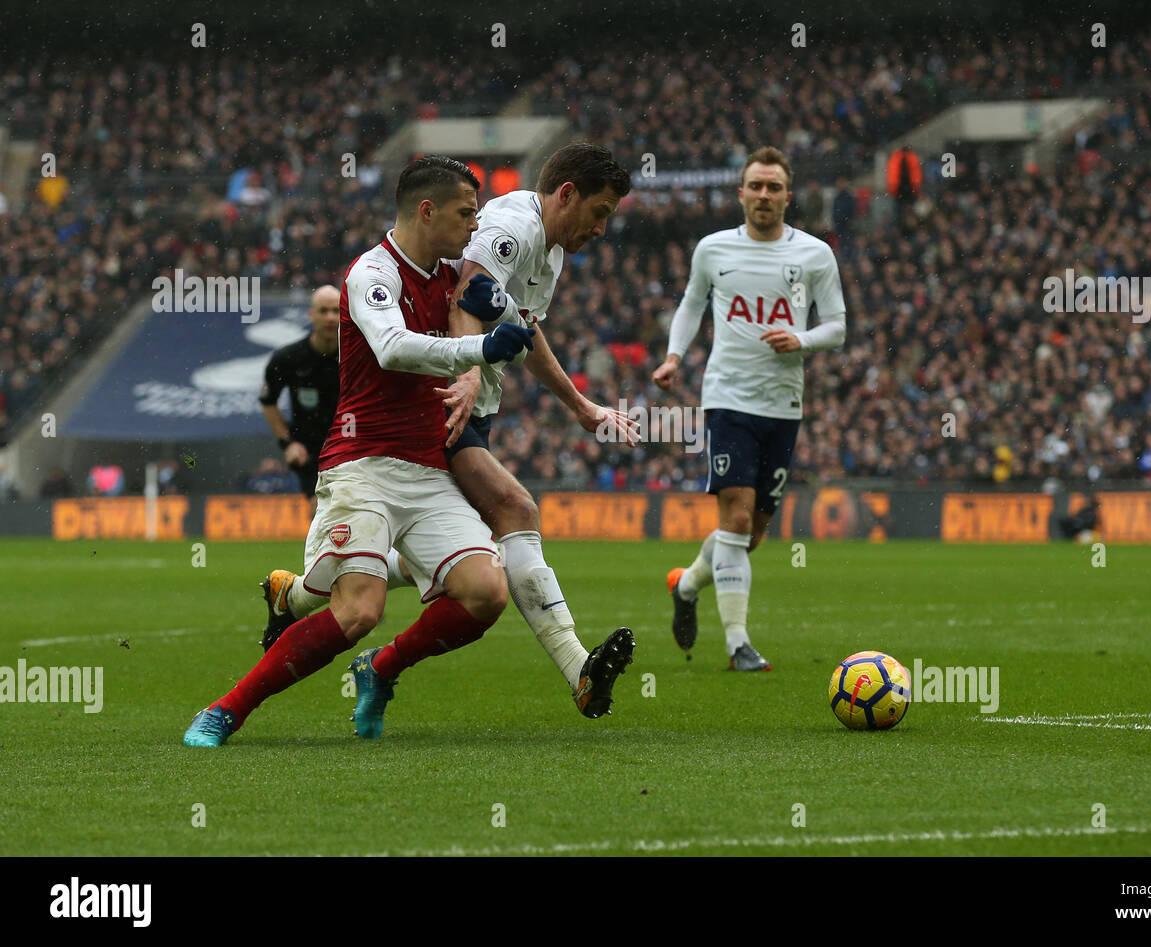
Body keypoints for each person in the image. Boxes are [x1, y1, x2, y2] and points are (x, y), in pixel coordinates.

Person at [257, 142, 639, 719]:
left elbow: (520, 329)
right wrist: (464, 374)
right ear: (567, 194)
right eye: (600, 211)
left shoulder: (551, 253)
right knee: (514, 510)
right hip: (445, 402)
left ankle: (303, 597)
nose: (604, 228)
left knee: (447, 558)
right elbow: (469, 293)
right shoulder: (510, 229)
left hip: (472, 404)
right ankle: (578, 669)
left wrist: (580, 407)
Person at [183, 155, 538, 746]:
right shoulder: (371, 272)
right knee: (358, 611)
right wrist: (480, 350)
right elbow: (395, 349)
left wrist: (514, 338)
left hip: (428, 468)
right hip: (362, 465)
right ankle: (228, 708)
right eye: (465, 213)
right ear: (427, 211)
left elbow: (512, 333)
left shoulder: (456, 274)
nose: (476, 224)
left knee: (485, 592)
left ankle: (380, 667)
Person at [652, 146, 847, 671]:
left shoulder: (814, 255)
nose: (764, 195)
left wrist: (802, 340)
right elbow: (692, 303)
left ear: (788, 195)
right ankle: (738, 644)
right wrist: (673, 358)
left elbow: (838, 326)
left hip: (783, 406)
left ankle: (687, 584)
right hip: (728, 399)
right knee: (736, 519)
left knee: (752, 534)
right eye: (755, 186)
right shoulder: (714, 249)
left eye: (773, 187)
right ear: (741, 193)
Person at [257, 285, 341, 515]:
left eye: (336, 311)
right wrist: (288, 443)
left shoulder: (357, 355)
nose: (330, 317)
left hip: (351, 444)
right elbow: (268, 401)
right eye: (323, 311)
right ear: (311, 315)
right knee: (320, 513)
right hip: (311, 449)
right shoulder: (288, 358)